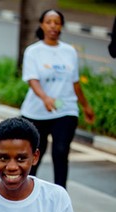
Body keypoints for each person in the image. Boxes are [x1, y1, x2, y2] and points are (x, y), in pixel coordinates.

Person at [20, 9, 94, 188]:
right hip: (36, 112)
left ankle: (61, 195)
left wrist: (85, 106)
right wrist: (45, 98)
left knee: (61, 152)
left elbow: (75, 82)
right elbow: (32, 80)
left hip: (65, 109)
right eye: (49, 22)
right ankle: (26, 192)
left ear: (61, 26)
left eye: (57, 22)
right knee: (35, 154)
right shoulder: (33, 51)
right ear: (42, 25)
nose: (53, 25)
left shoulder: (69, 51)